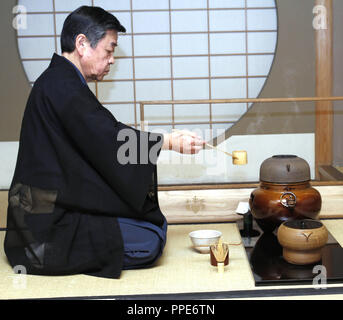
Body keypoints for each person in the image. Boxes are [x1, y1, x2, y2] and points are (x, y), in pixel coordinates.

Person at [4, 6, 204, 279]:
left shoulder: (59, 82)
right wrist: (167, 142)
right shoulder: (61, 86)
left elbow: (102, 139)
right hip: (42, 230)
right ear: (82, 44)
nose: (112, 60)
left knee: (152, 228)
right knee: (150, 240)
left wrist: (163, 141)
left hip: (48, 212)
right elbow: (109, 140)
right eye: (109, 51)